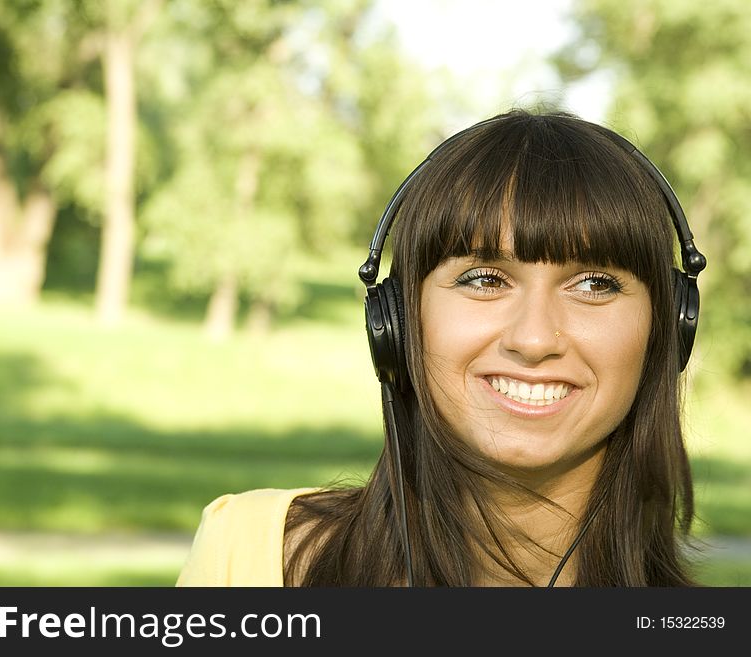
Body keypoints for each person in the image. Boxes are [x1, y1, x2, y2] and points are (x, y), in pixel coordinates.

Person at [176, 109, 706, 587]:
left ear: (666, 332)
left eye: (594, 284)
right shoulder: (251, 559)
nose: (534, 339)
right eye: (483, 279)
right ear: (399, 323)